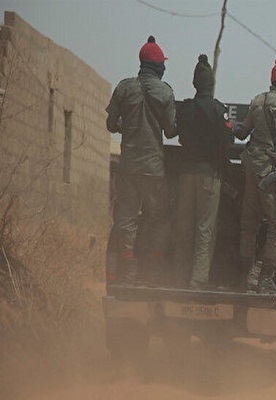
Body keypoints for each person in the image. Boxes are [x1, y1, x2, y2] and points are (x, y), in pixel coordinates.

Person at [105, 36, 176, 285]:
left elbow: (111, 124)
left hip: (128, 167)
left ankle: (129, 265)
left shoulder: (124, 87)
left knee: (126, 217)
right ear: (158, 66)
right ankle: (154, 269)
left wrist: (128, 126)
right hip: (154, 169)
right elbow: (170, 131)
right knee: (158, 218)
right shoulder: (166, 92)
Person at [233, 56, 276, 294]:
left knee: (248, 225)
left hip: (252, 171)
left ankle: (246, 277)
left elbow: (242, 132)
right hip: (273, 174)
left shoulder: (257, 101)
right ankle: (262, 277)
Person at [173, 54, 231, 290]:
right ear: (211, 84)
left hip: (186, 175)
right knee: (205, 228)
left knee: (183, 226)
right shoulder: (219, 110)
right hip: (209, 176)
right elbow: (228, 138)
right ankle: (197, 279)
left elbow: (174, 131)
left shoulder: (185, 109)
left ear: (195, 83)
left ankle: (177, 276)